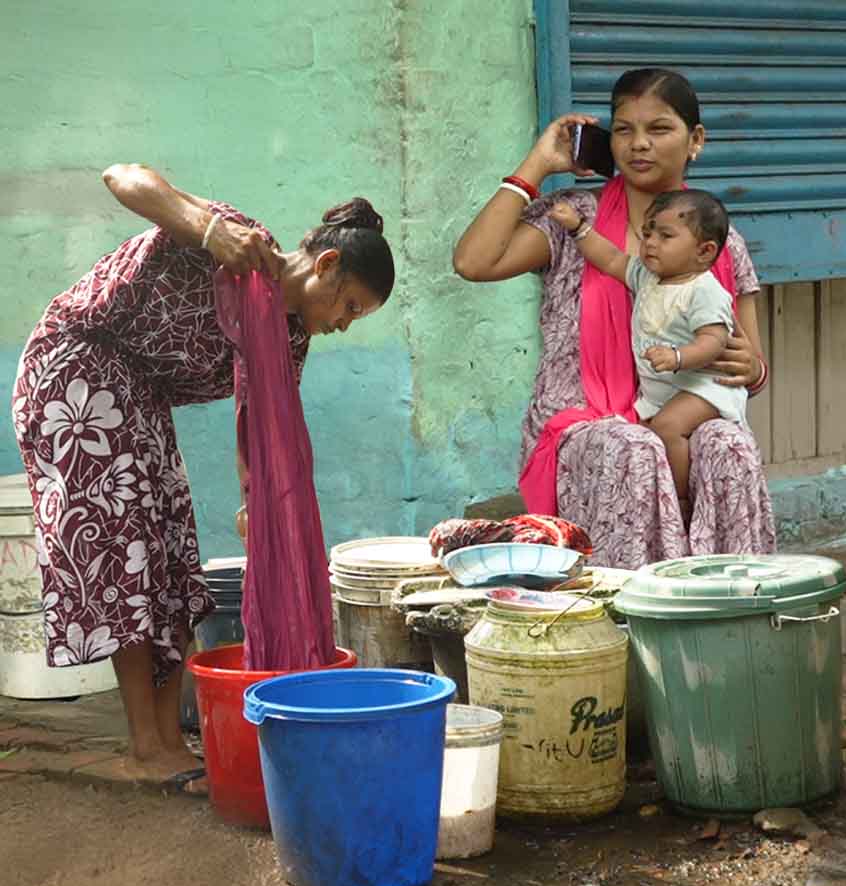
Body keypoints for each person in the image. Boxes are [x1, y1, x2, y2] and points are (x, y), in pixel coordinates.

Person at [12, 164, 394, 792]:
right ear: (326, 265)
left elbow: (267, 434)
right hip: (74, 371)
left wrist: (257, 507)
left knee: (168, 555)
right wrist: (209, 229)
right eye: (349, 305)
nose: (345, 323)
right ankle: (146, 746)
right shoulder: (238, 245)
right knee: (126, 556)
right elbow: (122, 177)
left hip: (136, 394)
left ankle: (167, 740)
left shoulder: (289, 338)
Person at [453, 67, 775, 568]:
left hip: (681, 410)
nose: (639, 144)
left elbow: (752, 366)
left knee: (729, 445)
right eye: (624, 129)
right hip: (587, 420)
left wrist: (750, 368)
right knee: (635, 448)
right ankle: (631, 603)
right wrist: (538, 164)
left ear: (695, 140)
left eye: (659, 129)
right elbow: (474, 262)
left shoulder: (719, 243)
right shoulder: (572, 219)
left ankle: (732, 598)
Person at [548, 189, 747, 521]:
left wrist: (678, 356)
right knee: (641, 438)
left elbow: (714, 341)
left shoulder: (704, 291)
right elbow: (611, 259)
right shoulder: (647, 277)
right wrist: (578, 228)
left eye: (665, 236)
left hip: (704, 387)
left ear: (705, 251)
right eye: (648, 233)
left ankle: (680, 501)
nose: (651, 242)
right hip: (660, 393)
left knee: (668, 427)